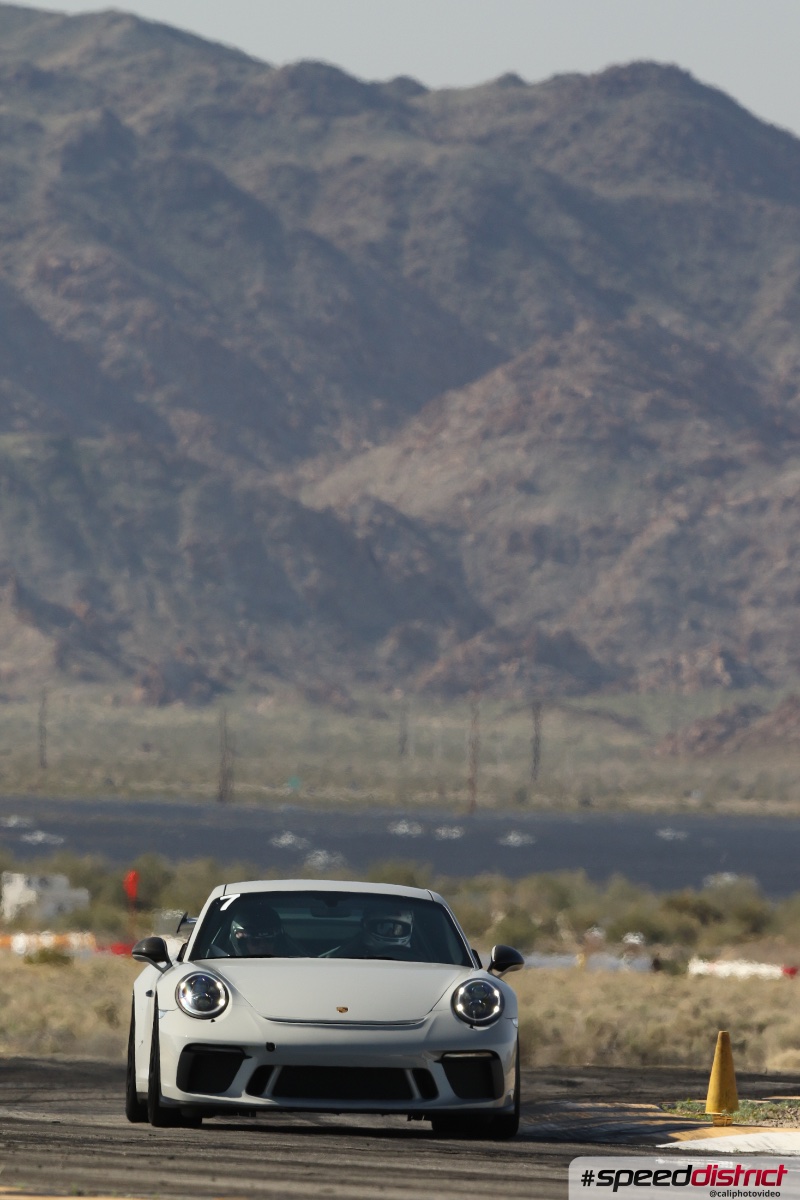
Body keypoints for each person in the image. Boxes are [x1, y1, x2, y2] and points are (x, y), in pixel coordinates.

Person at [324, 906, 416, 959]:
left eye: (397, 929)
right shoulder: (350, 951)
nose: (390, 933)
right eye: (382, 927)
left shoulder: (417, 960)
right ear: (366, 926)